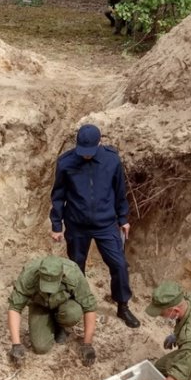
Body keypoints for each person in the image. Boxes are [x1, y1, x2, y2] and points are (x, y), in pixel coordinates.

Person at [50, 123, 140, 328]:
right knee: (76, 268)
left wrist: (123, 219)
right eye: (83, 152)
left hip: (106, 224)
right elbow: (58, 196)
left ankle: (123, 305)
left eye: (90, 152)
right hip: (76, 224)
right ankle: (77, 305)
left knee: (119, 265)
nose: (86, 156)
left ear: (100, 142)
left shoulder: (112, 160)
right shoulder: (66, 163)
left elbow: (119, 192)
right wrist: (57, 225)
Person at [7, 255, 97, 367]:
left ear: (62, 276)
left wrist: (87, 344)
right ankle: (48, 322)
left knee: (73, 313)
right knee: (40, 347)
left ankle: (60, 325)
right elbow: (15, 307)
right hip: (40, 306)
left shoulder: (73, 273)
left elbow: (89, 307)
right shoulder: (29, 274)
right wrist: (16, 344)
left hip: (64, 304)